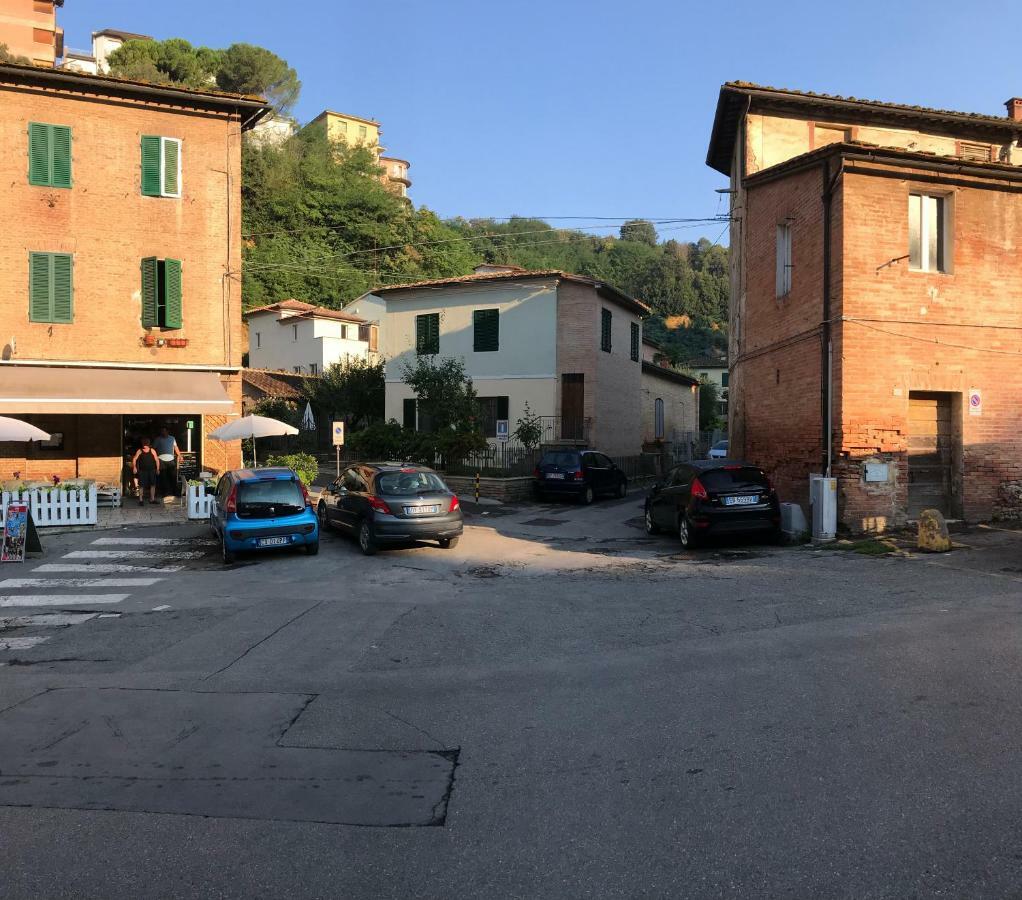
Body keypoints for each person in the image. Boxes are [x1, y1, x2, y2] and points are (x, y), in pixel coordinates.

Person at [153, 426, 182, 498]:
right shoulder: (158, 439)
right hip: (161, 460)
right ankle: (164, 493)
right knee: (163, 477)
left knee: (173, 476)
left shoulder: (172, 438)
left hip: (170, 459)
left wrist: (180, 455)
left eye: (164, 431)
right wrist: (155, 457)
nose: (163, 432)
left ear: (167, 431)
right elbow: (153, 448)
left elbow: (176, 447)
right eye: (162, 431)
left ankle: (175, 492)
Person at [132, 437, 160, 506]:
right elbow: (134, 459)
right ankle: (141, 500)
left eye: (146, 444)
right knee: (141, 486)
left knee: (153, 485)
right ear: (142, 444)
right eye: (143, 444)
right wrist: (134, 467)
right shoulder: (140, 451)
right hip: (142, 471)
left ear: (148, 444)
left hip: (152, 470)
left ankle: (152, 499)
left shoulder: (152, 450)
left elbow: (157, 460)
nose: (144, 445)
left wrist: (158, 469)